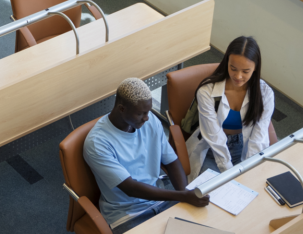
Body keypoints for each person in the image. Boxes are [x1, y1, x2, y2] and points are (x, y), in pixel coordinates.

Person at [84, 78, 210, 233]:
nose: (146, 118)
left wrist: (184, 193)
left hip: (161, 201)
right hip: (128, 215)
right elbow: (130, 188)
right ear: (121, 109)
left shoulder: (149, 122)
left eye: (148, 111)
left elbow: (171, 161)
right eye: (140, 113)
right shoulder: (97, 143)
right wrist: (182, 196)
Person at [186, 36, 275, 181]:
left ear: (255, 68)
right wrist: (229, 173)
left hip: (245, 146)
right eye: (233, 68)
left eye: (245, 71)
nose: (238, 76)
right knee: (216, 188)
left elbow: (258, 137)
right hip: (212, 149)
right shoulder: (206, 91)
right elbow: (215, 137)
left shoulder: (265, 93)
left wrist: (249, 168)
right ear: (226, 62)